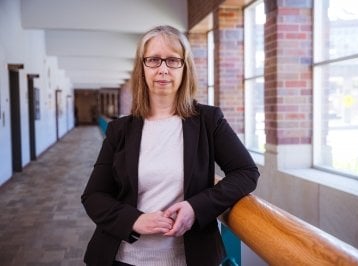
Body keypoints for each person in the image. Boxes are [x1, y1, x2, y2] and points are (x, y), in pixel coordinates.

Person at [81, 25, 259, 266]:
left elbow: (246, 172)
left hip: (190, 258)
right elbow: (94, 195)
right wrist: (134, 220)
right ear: (141, 67)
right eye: (153, 60)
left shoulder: (209, 121)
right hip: (123, 258)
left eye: (173, 60)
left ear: (185, 67)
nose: (163, 69)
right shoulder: (119, 130)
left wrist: (196, 208)